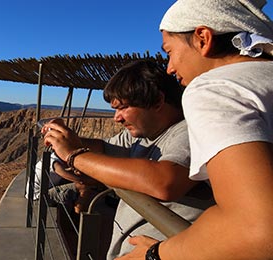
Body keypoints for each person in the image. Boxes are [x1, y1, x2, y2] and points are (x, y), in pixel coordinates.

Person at [117, 1, 273, 259]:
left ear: (202, 38)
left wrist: (156, 254)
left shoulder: (215, 88)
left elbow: (255, 228)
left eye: (169, 52)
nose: (169, 67)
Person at [42, 60, 214, 259]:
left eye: (123, 108)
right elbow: (104, 148)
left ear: (157, 101)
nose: (117, 118)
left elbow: (165, 182)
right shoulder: (143, 134)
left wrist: (74, 156)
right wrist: (67, 138)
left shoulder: (189, 132)